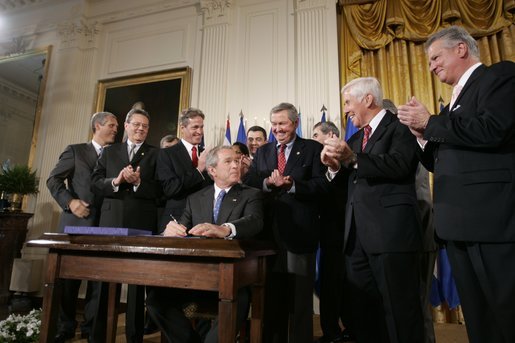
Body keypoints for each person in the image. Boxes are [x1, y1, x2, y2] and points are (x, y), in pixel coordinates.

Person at [397, 25, 515, 343]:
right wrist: (422, 138)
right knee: (479, 320)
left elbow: (493, 129)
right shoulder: (451, 106)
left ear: (461, 49)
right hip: (457, 226)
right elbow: (439, 162)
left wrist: (430, 122)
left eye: (436, 57)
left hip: (492, 223)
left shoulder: (499, 76)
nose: (432, 66)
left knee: (506, 315)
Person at [321, 77, 424, 343]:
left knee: (400, 311)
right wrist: (334, 166)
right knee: (363, 312)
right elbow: (348, 181)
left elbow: (400, 165)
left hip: (391, 235)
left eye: (348, 102)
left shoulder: (400, 128)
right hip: (356, 239)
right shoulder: (355, 138)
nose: (345, 109)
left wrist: (352, 158)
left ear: (368, 99)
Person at [146, 145, 264, 343]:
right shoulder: (195, 198)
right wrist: (169, 232)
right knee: (156, 301)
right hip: (196, 278)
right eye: (228, 161)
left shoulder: (251, 194)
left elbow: (255, 221)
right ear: (212, 170)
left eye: (237, 161)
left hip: (233, 279)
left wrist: (225, 229)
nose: (236, 165)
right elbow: (182, 228)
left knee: (238, 300)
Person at [244, 102, 328, 343]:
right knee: (272, 297)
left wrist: (293, 186)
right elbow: (251, 182)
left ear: (295, 123)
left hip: (300, 233)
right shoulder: (263, 151)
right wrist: (267, 184)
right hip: (268, 235)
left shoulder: (312, 149)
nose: (277, 129)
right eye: (274, 124)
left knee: (299, 300)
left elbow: (323, 186)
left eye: (282, 123)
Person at [46, 112, 118, 342]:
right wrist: (70, 202)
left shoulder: (117, 156)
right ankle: (65, 327)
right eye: (112, 125)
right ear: (97, 126)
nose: (116, 129)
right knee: (68, 282)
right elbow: (53, 180)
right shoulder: (75, 151)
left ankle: (91, 330)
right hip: (76, 225)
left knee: (98, 282)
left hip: (106, 227)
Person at [91, 108, 161, 343]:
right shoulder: (110, 152)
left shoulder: (156, 154)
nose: (141, 129)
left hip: (141, 222)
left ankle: (134, 337)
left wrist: (140, 182)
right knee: (104, 281)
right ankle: (97, 336)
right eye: (137, 125)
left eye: (145, 126)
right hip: (111, 221)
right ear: (127, 126)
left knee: (136, 283)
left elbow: (161, 191)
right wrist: (116, 181)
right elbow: (95, 183)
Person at [311, 121, 353, 343]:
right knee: (330, 283)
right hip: (325, 231)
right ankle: (331, 331)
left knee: (344, 283)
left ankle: (348, 329)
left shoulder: (349, 157)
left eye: (316, 134)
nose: (313, 139)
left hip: (343, 231)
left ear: (332, 135)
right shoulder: (317, 159)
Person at [156, 108, 213, 233]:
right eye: (195, 127)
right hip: (177, 220)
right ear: (182, 128)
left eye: (202, 127)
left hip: (205, 220)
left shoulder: (208, 154)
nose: (200, 131)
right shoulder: (167, 154)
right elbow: (171, 188)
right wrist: (198, 170)